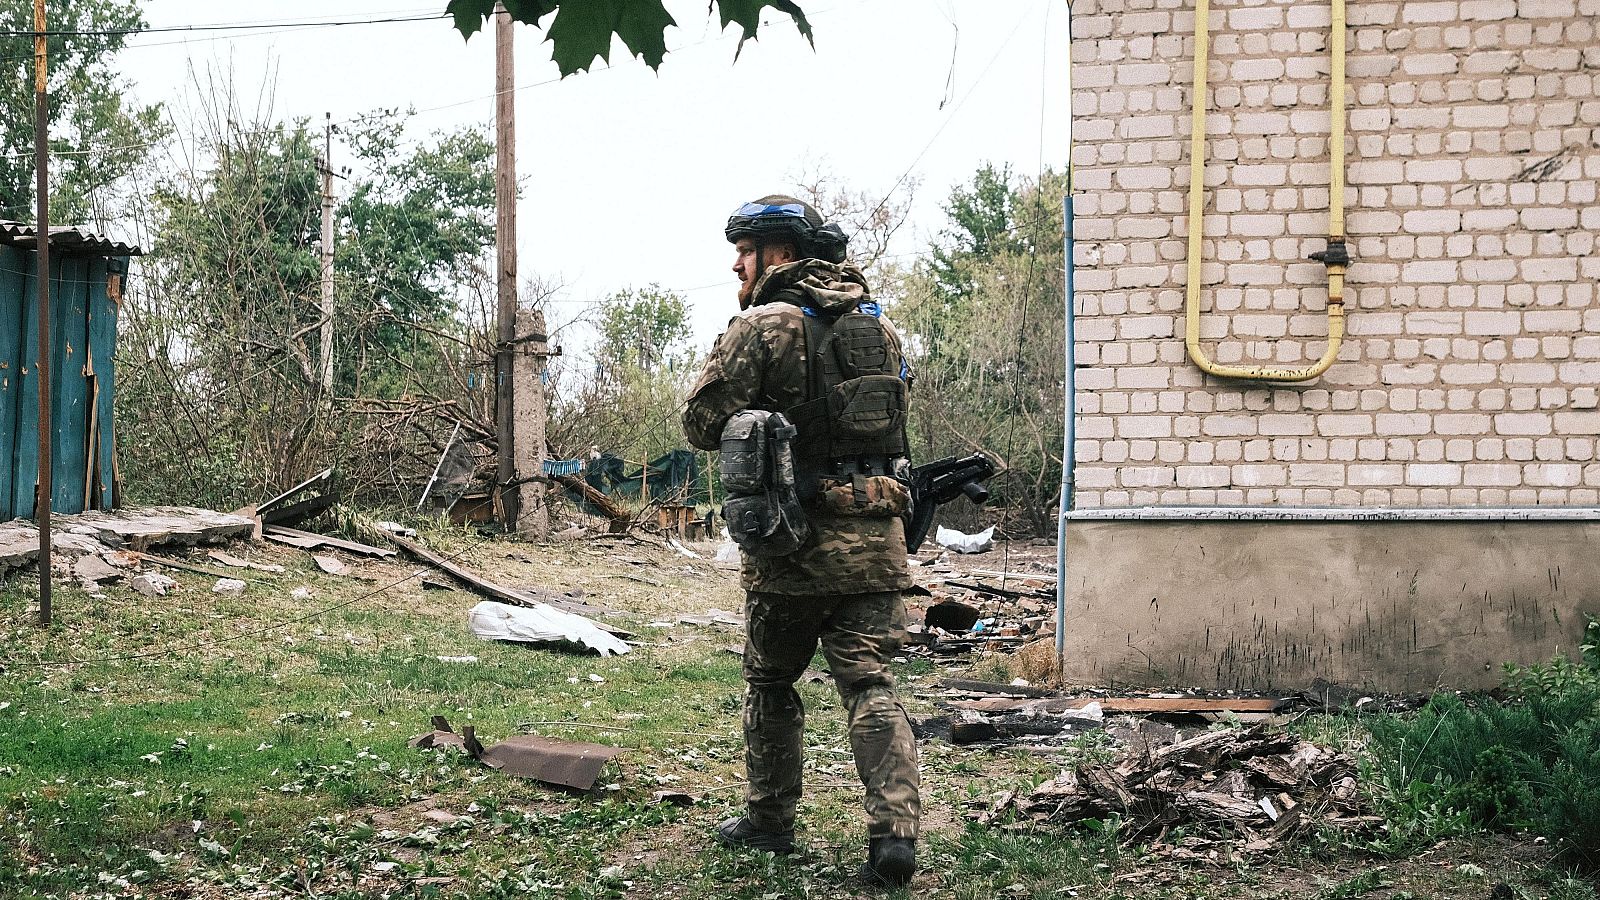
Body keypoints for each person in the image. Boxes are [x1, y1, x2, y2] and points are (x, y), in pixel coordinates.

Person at [682, 195, 921, 888]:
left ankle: (770, 820)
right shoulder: (881, 329)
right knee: (871, 683)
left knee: (771, 679)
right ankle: (895, 835)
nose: (736, 263)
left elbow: (701, 423)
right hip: (879, 539)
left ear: (779, 253)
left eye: (745, 250)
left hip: (793, 543)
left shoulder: (762, 326)